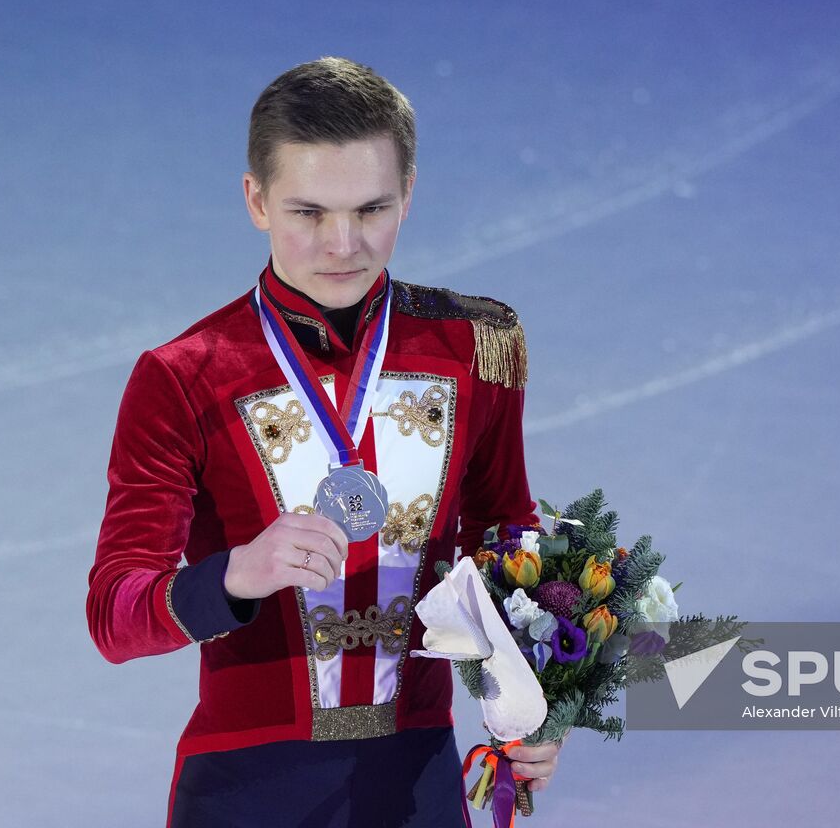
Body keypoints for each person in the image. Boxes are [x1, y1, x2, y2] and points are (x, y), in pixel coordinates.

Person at [86, 56, 564, 827]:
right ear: (256, 200)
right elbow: (115, 614)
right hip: (246, 787)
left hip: (419, 780)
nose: (343, 244)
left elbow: (506, 536)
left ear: (409, 195)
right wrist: (237, 574)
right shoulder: (183, 377)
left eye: (371, 209)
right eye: (308, 213)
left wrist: (536, 700)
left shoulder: (476, 346)